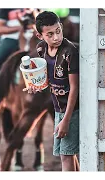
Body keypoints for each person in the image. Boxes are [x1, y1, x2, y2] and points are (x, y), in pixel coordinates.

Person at [25, 10, 80, 171]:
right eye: (50, 34)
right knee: (68, 154)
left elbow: (74, 87)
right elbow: (49, 78)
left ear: (61, 27)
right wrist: (36, 86)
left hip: (73, 110)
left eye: (58, 31)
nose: (56, 37)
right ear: (39, 36)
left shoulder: (70, 52)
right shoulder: (41, 49)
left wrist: (67, 120)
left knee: (66, 155)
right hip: (58, 109)